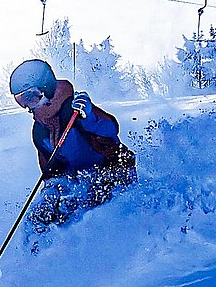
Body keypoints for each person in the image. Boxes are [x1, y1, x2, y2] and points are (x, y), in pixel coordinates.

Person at [9, 59, 136, 229]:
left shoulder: (75, 112)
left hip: (112, 173)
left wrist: (90, 116)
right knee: (41, 217)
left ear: (46, 89)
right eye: (21, 101)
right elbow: (51, 172)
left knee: (90, 205)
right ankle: (41, 253)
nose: (28, 107)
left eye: (31, 98)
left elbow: (110, 129)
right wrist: (52, 192)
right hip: (79, 182)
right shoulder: (40, 133)